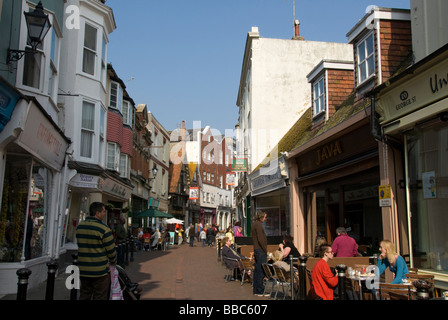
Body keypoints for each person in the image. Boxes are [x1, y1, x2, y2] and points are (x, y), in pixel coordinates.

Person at [76, 202, 117, 300]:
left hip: (84, 269)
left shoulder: (80, 227)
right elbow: (111, 251)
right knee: (100, 296)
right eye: (103, 211)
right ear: (97, 213)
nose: (104, 214)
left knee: (85, 294)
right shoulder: (104, 229)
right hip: (100, 271)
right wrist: (113, 262)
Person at [252, 210, 269, 297]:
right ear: (261, 217)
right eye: (265, 217)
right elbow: (260, 239)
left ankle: (256, 289)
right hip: (260, 250)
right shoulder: (258, 225)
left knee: (257, 270)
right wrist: (265, 249)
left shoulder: (255, 224)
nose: (265, 219)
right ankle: (259, 290)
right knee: (261, 270)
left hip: (257, 249)